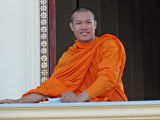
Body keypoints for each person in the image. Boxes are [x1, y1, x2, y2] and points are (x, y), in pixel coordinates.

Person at [0, 7, 128, 104]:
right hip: (78, 111)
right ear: (72, 27)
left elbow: (107, 79)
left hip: (109, 108)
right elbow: (52, 86)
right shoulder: (69, 56)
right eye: (78, 23)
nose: (84, 27)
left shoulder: (108, 45)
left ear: (95, 24)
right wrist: (18, 102)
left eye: (88, 23)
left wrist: (79, 98)